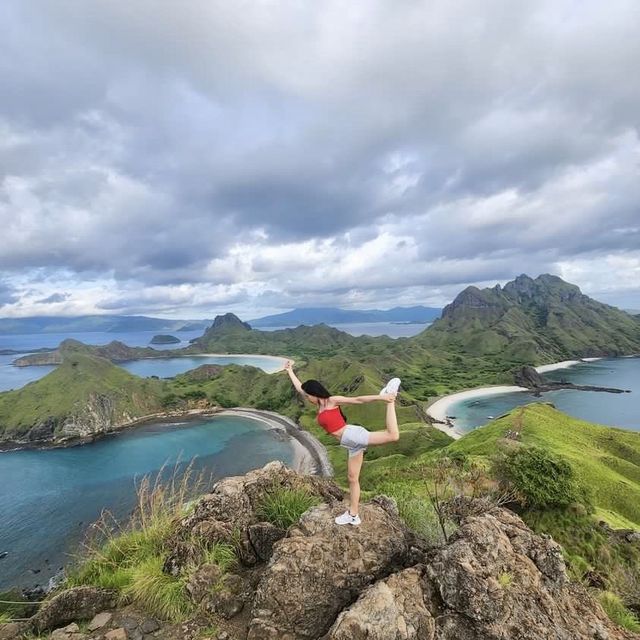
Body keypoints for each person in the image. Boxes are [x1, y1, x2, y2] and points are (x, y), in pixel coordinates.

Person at [283, 360, 400, 526]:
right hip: (350, 443)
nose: (307, 398)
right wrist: (289, 370)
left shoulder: (332, 400)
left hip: (352, 436)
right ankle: (353, 515)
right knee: (352, 478)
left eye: (308, 395)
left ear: (315, 393)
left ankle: (391, 398)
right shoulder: (318, 404)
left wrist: (382, 398)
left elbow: (358, 400)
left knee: (393, 435)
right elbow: (299, 387)